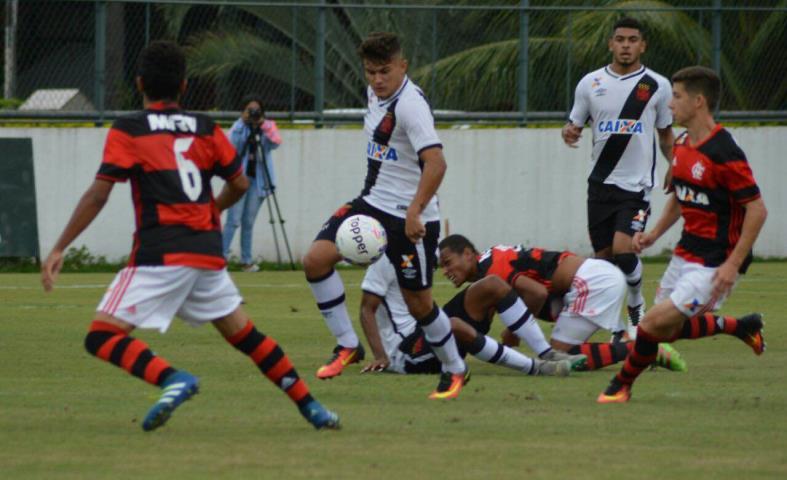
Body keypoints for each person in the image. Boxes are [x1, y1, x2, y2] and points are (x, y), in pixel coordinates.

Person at [40, 41, 339, 431]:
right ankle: (312, 407)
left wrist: (60, 246)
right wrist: (211, 211)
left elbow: (99, 193)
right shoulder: (204, 127)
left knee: (101, 336)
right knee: (246, 336)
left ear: (140, 83)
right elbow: (240, 183)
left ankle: (172, 379)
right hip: (205, 251)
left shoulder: (129, 129)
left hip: (161, 252)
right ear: (183, 86)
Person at [302, 32, 468, 399]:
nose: (377, 80)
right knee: (315, 260)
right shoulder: (374, 94)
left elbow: (437, 163)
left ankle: (456, 369)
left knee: (419, 304)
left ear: (402, 66)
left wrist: (414, 210)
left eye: (384, 71)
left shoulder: (410, 106)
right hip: (371, 203)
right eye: (370, 72)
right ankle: (348, 345)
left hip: (410, 219)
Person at [597, 66, 767, 403]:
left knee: (648, 326)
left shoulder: (724, 153)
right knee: (666, 329)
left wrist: (731, 265)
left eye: (676, 96)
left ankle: (621, 384)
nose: (669, 104)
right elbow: (680, 195)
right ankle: (741, 326)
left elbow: (757, 210)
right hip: (685, 252)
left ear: (699, 101)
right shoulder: (683, 145)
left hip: (714, 263)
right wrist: (655, 233)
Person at [562, 17, 675, 334]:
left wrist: (675, 166)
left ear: (643, 45)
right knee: (603, 261)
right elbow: (575, 124)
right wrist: (569, 132)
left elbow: (666, 134)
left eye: (633, 40)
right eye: (620, 39)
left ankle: (636, 305)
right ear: (611, 44)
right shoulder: (590, 84)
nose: (626, 45)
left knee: (624, 249)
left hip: (636, 188)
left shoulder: (655, 86)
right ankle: (614, 326)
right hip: (600, 185)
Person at [438, 234, 686, 372]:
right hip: (589, 279)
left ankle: (646, 351)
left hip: (590, 282)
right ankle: (626, 341)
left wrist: (513, 332)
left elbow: (536, 294)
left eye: (449, 262)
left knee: (561, 356)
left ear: (469, 254)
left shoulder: (492, 268)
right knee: (557, 346)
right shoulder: (489, 262)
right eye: (442, 266)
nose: (446, 270)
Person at [358, 255, 578, 376]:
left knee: (492, 285)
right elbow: (367, 309)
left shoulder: (419, 248)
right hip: (404, 353)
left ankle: (548, 354)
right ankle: (536, 368)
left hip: (425, 328)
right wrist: (381, 357)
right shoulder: (384, 260)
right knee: (452, 324)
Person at [222, 94, 282, 272]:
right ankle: (221, 259)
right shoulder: (239, 127)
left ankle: (246, 260)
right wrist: (243, 123)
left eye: (257, 110)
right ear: (243, 111)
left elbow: (276, 142)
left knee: (248, 221)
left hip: (259, 181)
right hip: (239, 180)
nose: (254, 113)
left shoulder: (267, 127)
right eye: (250, 110)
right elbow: (230, 145)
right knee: (233, 220)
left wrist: (262, 125)